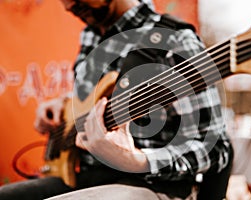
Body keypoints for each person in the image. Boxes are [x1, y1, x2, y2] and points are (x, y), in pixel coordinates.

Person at [0, 0, 234, 199]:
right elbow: (91, 100)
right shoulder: (92, 32)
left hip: (150, 184)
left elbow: (216, 149)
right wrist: (62, 106)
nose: (69, 5)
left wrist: (140, 161)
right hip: (87, 175)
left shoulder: (175, 40)